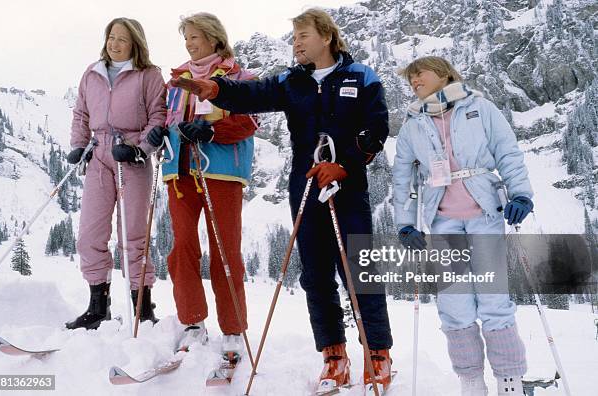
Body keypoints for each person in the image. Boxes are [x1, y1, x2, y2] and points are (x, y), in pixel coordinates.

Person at [170, 8, 393, 393]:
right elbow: (253, 93)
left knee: (358, 269)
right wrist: (217, 90)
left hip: (346, 184)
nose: (296, 44)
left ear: (326, 36)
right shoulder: (292, 81)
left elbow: (376, 129)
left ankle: (378, 355)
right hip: (305, 183)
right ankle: (333, 356)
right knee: (315, 272)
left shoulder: (361, 77)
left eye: (302, 36)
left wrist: (345, 164)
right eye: (293, 38)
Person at [393, 56, 534, 396]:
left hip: (485, 211)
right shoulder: (413, 124)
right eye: (410, 79)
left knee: (493, 299)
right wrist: (406, 225)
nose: (414, 82)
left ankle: (509, 380)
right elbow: (403, 178)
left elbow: (507, 151)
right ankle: (470, 379)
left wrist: (521, 195)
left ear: (443, 74)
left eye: (419, 74)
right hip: (443, 220)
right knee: (454, 304)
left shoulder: (479, 107)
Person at [145, 12, 257, 354]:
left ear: (213, 38)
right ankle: (192, 321)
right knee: (182, 249)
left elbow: (249, 121)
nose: (190, 44)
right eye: (186, 39)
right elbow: (166, 117)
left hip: (220, 171)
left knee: (225, 250)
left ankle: (233, 329)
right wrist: (158, 131)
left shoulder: (239, 77)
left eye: (195, 37)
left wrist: (212, 129)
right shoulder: (176, 79)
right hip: (179, 171)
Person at [66, 17, 166, 330]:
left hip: (131, 158)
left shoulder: (149, 75)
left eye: (122, 38)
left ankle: (142, 308)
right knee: (90, 234)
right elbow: (81, 113)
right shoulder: (92, 73)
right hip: (98, 155)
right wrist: (78, 145)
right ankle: (98, 307)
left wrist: (140, 150)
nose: (115, 43)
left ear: (135, 43)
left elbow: (158, 117)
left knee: (133, 236)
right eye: (111, 37)